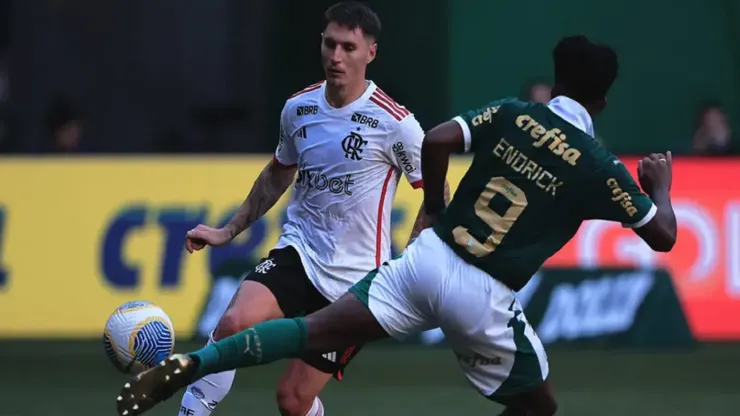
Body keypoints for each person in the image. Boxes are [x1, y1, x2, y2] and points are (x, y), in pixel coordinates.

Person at [115, 35, 677, 416]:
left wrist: (433, 206)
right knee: (540, 405)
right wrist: (660, 189)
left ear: (554, 82)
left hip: (427, 259)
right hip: (483, 296)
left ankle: (199, 362)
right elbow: (663, 236)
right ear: (601, 101)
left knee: (311, 332)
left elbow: (435, 140)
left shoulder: (514, 113)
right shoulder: (599, 165)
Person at [163, 3, 441, 416]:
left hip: (356, 286)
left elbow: (437, 190)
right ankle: (192, 410)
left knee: (292, 400)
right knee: (233, 324)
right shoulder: (299, 109)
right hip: (299, 255)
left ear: (371, 53)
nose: (336, 56)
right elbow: (278, 174)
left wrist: (414, 257)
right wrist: (227, 231)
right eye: (330, 44)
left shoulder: (394, 123)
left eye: (349, 47)